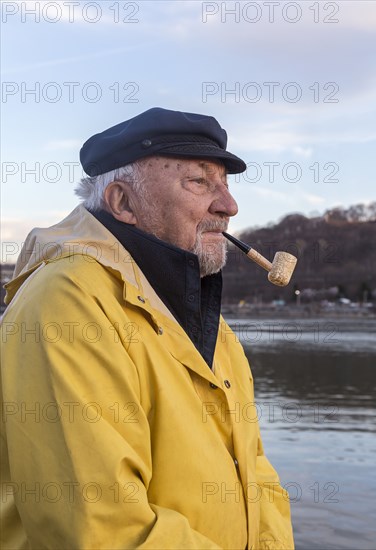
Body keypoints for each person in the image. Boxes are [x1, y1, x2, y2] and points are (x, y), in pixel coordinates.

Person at [0, 107, 294, 549]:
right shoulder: (69, 302)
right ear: (123, 202)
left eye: (226, 184)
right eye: (199, 181)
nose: (229, 206)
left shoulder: (212, 328)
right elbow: (101, 529)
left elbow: (258, 474)